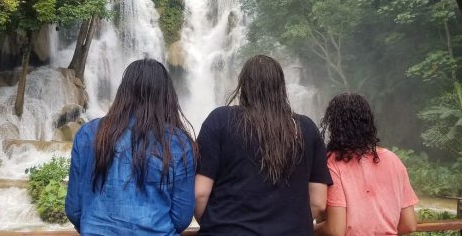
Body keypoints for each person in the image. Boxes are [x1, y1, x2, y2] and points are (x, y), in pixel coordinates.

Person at [194, 55, 332, 236]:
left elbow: (200, 194)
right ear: (281, 87)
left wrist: (215, 224)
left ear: (243, 86)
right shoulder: (307, 128)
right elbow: (318, 202)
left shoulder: (219, 120)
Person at [65, 59, 196, 236]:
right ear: (167, 96)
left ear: (123, 92)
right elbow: (181, 217)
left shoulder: (88, 134)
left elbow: (74, 209)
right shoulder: (178, 142)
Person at [315, 93, 418, 236]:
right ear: (368, 122)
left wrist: (310, 229)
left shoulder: (332, 163)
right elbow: (409, 224)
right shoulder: (393, 160)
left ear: (334, 126)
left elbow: (336, 230)